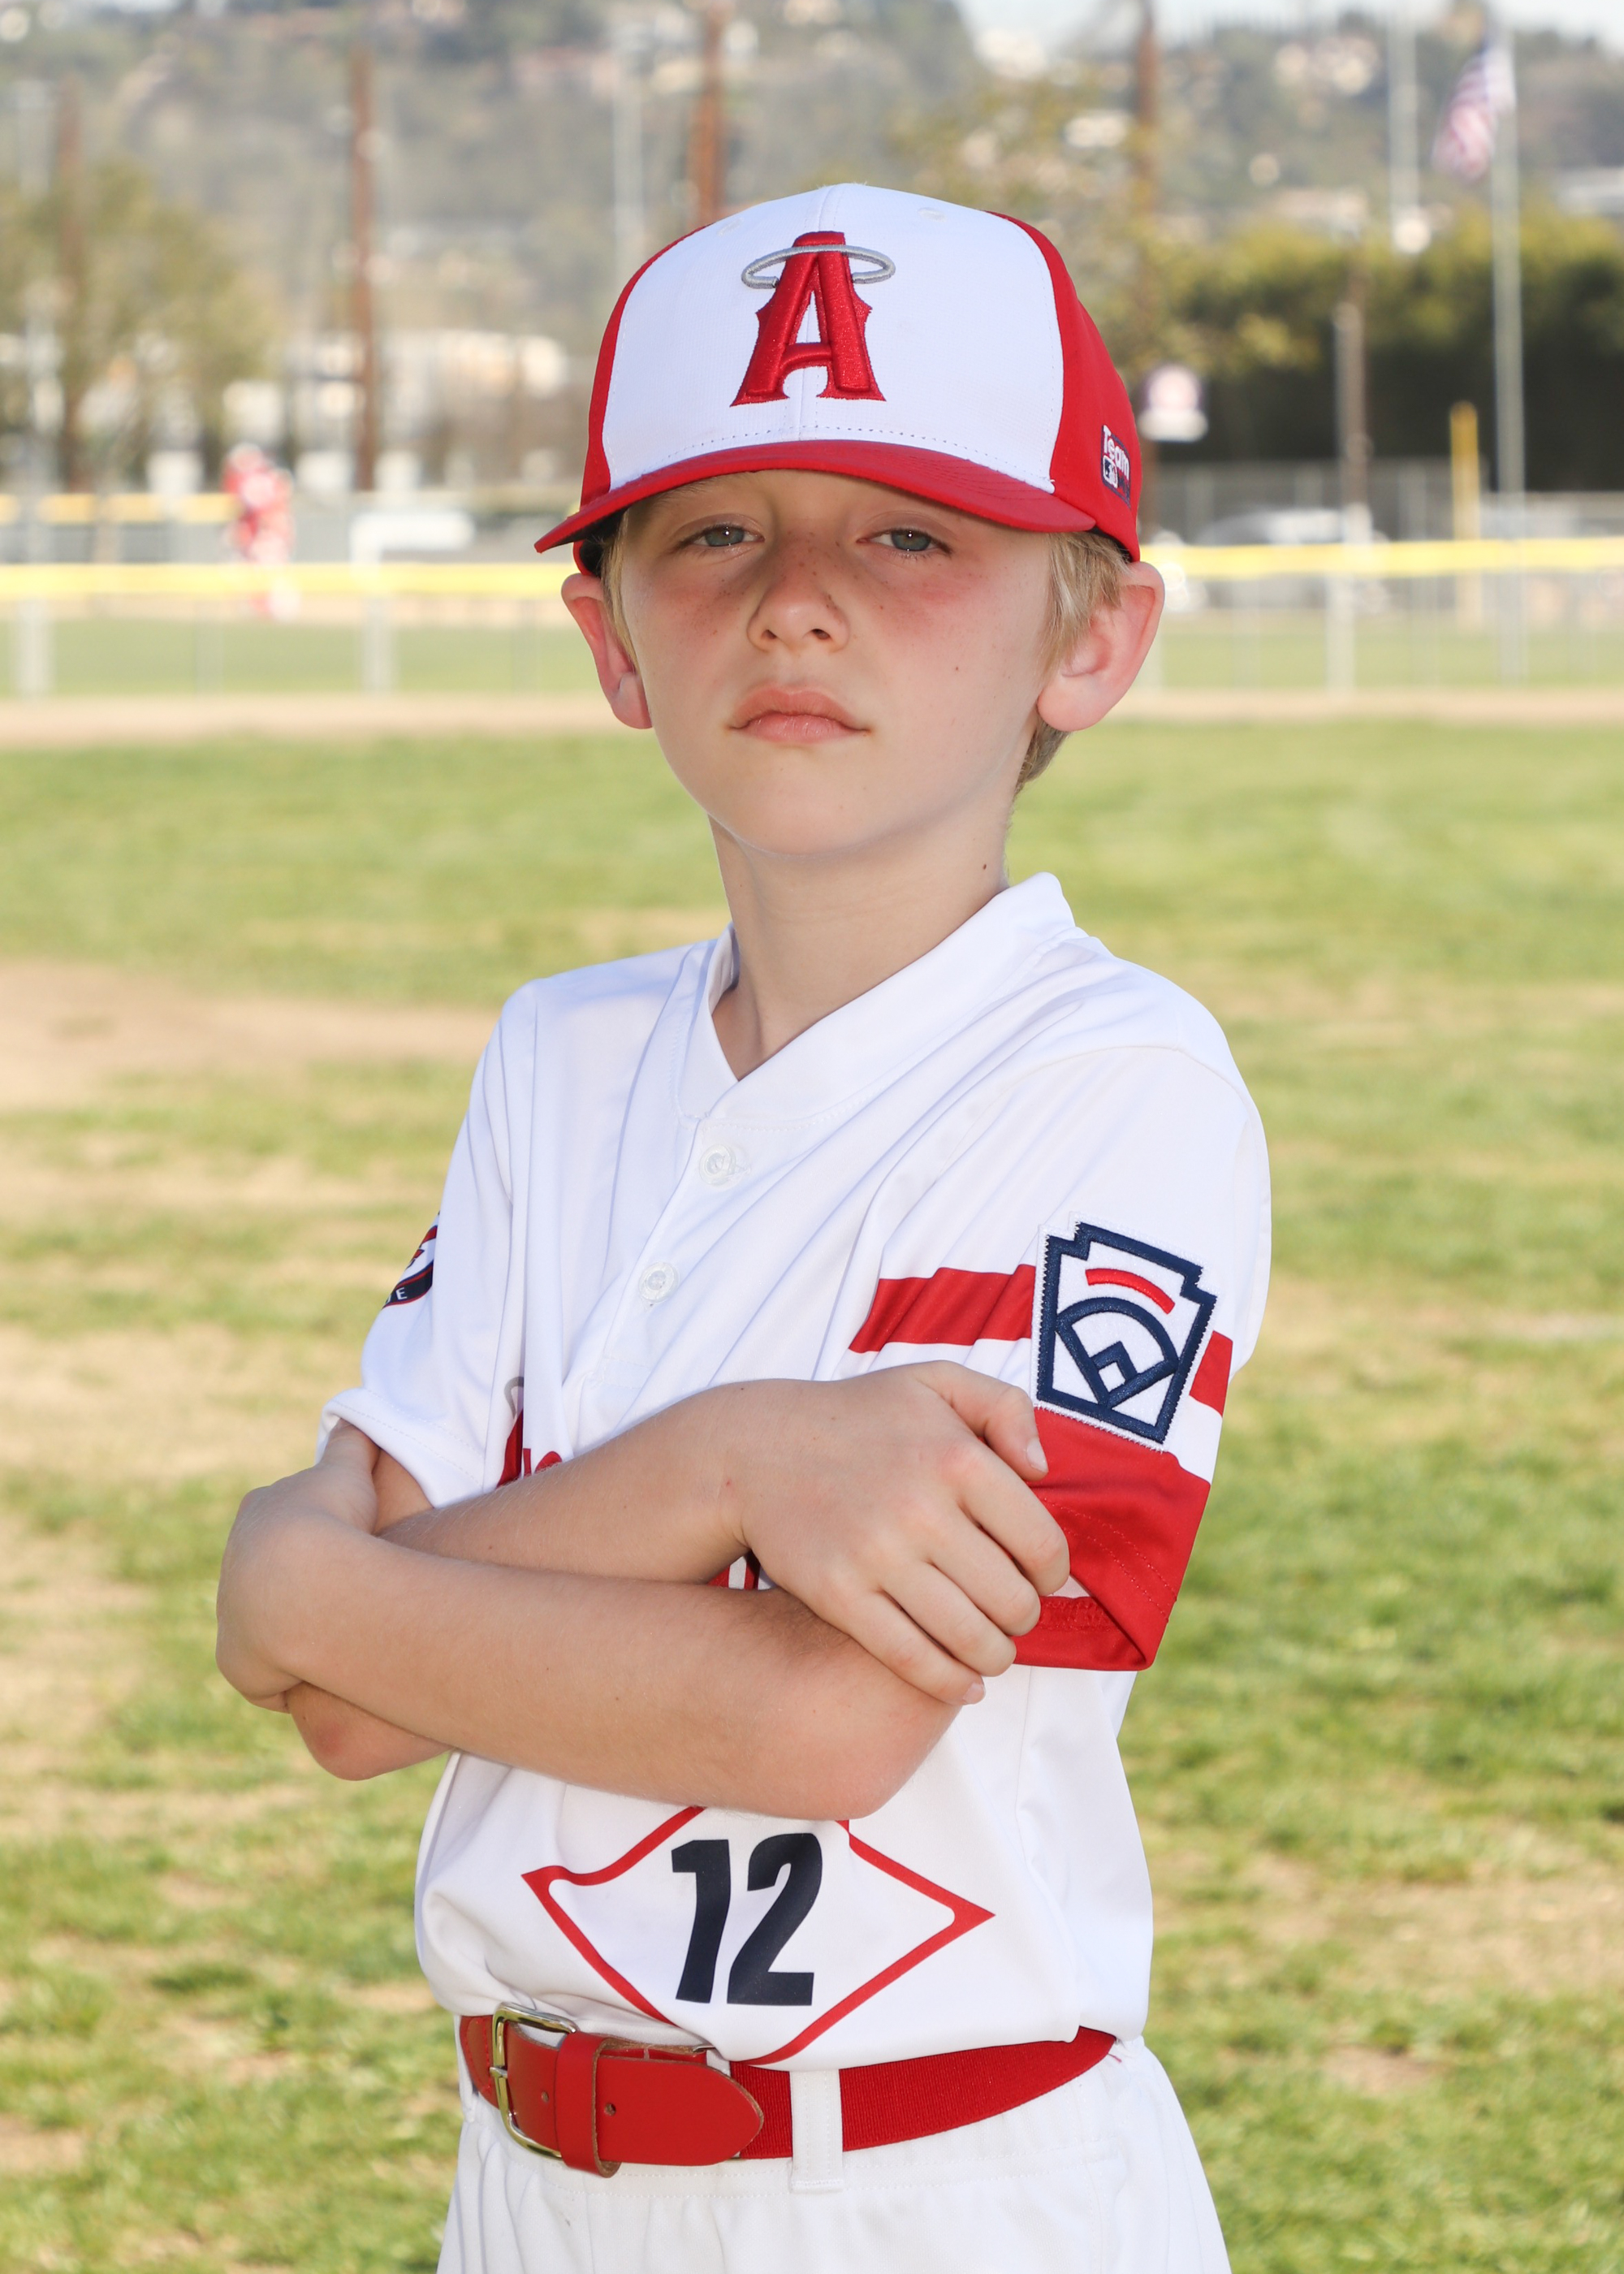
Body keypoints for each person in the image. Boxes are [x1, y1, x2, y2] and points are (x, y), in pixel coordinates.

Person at [216, 184, 1270, 2274]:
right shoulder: (557, 1054)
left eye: (911, 534)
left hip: (937, 2182)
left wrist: (320, 1572)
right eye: (713, 531)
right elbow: (340, 1703)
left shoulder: (1112, 1078)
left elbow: (818, 1718)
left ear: (1091, 635)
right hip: (526, 2182)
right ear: (612, 637)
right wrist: (725, 1466)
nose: (796, 603)